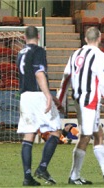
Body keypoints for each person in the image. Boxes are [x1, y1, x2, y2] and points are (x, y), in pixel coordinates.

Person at [57, 27, 104, 185]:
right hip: (90, 102)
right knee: (85, 136)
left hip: (79, 100)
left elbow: (66, 77)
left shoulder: (75, 54)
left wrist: (60, 99)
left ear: (85, 39)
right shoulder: (99, 55)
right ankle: (74, 176)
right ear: (100, 38)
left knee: (98, 134)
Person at [16, 26, 62, 186]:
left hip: (25, 97)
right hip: (38, 95)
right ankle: (42, 167)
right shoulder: (39, 50)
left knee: (29, 135)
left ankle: (27, 177)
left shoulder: (20, 53)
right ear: (38, 35)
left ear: (24, 37)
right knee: (56, 131)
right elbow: (39, 73)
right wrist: (48, 95)